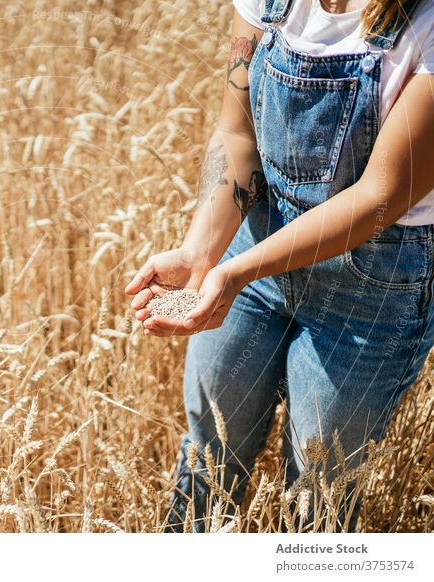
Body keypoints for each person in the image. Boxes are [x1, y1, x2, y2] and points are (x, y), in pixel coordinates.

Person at [124, 0, 434, 532]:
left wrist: (238, 271)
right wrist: (202, 252)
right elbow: (237, 132)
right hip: (256, 244)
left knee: (317, 500)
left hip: (372, 289)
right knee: (208, 458)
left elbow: (380, 195)